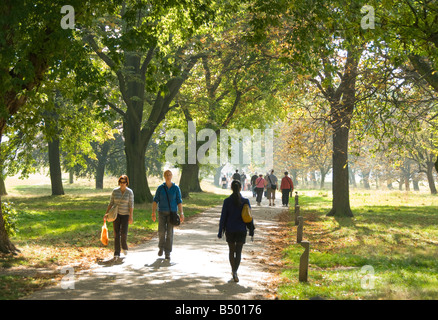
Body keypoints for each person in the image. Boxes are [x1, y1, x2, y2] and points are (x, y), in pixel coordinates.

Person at [218, 180, 255, 282]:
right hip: (241, 230)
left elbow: (223, 217)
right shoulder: (245, 201)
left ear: (231, 188)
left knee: (231, 251)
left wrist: (220, 231)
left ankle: (233, 270)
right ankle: (235, 271)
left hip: (230, 229)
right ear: (240, 188)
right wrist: (251, 230)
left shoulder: (227, 201)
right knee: (238, 252)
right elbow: (249, 217)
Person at [152, 170, 184, 260]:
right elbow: (155, 200)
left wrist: (181, 213)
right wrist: (153, 212)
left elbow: (179, 201)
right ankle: (161, 247)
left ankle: (167, 252)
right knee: (161, 232)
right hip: (161, 212)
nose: (168, 176)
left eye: (169, 175)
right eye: (166, 175)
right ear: (164, 176)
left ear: (172, 176)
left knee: (169, 233)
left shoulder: (176, 188)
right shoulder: (160, 188)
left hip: (172, 213)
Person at [104, 175, 134, 261]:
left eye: (124, 182)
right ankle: (116, 252)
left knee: (124, 233)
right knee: (116, 234)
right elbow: (111, 203)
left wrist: (131, 216)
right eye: (121, 182)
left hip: (125, 215)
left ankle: (124, 246)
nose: (122, 184)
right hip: (116, 215)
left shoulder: (129, 192)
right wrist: (106, 213)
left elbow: (131, 205)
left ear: (127, 183)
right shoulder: (115, 191)